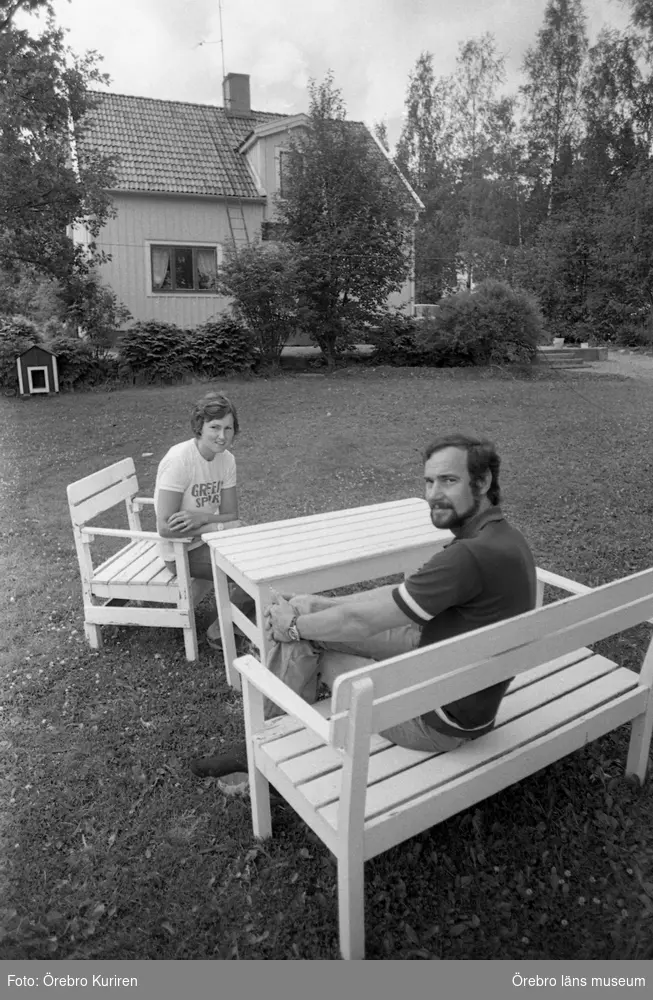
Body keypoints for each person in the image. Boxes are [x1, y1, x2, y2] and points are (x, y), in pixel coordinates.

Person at [190, 433, 537, 782]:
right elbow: (395, 595)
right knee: (304, 610)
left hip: (433, 717)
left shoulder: (468, 557)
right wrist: (310, 607)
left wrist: (293, 627)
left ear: (483, 481)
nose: (433, 494)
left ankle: (265, 748)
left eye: (449, 480)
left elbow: (360, 622)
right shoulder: (502, 538)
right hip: (453, 676)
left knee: (305, 644)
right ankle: (274, 727)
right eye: (429, 482)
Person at [155, 390, 253, 648]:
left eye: (229, 429)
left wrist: (201, 519)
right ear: (199, 427)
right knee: (253, 571)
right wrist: (218, 525)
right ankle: (221, 633)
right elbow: (165, 527)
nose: (223, 436)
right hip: (181, 551)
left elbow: (232, 515)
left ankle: (235, 620)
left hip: (210, 539)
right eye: (215, 427)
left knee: (262, 551)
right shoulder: (179, 461)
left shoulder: (226, 460)